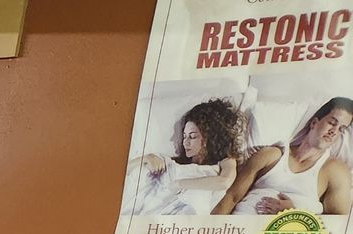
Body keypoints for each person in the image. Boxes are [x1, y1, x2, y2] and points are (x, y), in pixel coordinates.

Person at [218, 97, 353, 216]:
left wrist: (295, 213)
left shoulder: (335, 171)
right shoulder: (271, 155)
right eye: (332, 123)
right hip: (241, 227)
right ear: (314, 123)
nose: (334, 132)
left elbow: (337, 227)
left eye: (341, 129)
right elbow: (231, 198)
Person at [127, 98, 242, 214]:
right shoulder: (177, 163)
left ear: (209, 138)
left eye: (192, 137)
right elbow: (126, 171)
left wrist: (179, 184)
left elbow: (224, 182)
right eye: (184, 136)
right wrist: (147, 158)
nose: (185, 142)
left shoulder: (225, 160)